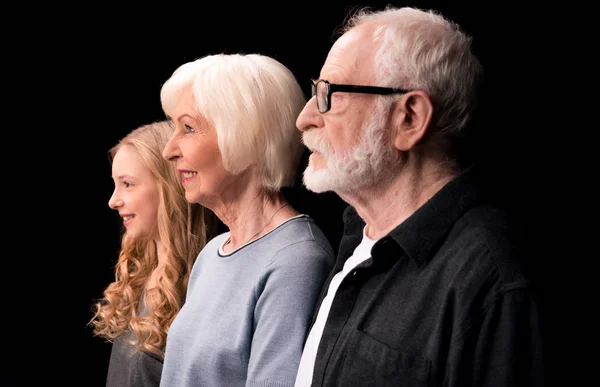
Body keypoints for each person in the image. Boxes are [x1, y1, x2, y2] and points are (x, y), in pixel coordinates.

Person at [293, 6, 544, 387]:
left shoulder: (491, 281)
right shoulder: (357, 235)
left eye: (330, 94)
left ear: (409, 118)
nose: (305, 117)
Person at [158, 53, 336, 387]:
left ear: (245, 135)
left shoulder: (295, 261)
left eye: (188, 128)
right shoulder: (212, 254)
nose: (169, 150)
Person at [90, 120, 217, 387]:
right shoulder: (141, 277)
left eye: (127, 184)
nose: (113, 200)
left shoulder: (203, 287)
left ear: (167, 187)